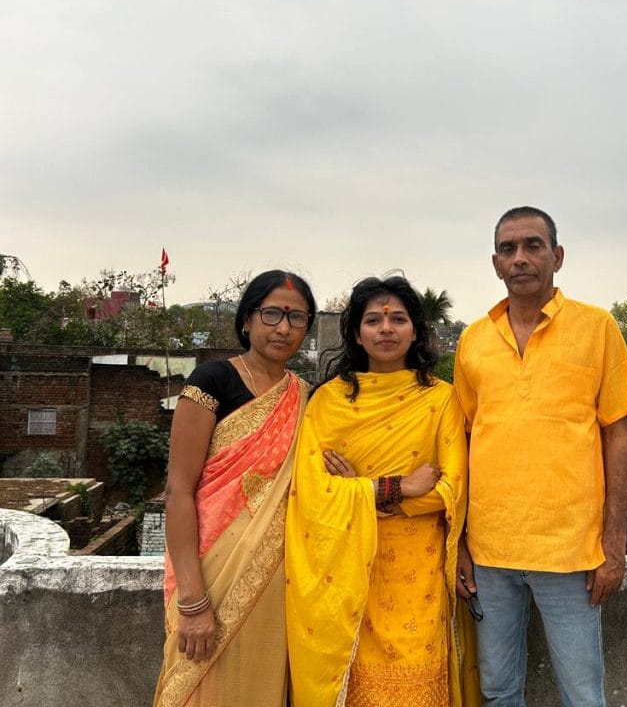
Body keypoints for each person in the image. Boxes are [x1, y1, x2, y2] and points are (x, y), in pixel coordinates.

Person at [454, 206, 627, 707]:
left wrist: (614, 539)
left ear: (557, 256)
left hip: (572, 554)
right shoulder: (473, 340)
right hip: (490, 552)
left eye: (533, 246)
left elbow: (618, 436)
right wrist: (459, 541)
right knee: (498, 690)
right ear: (495, 263)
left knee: (582, 694)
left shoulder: (596, 327)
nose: (520, 258)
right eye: (508, 248)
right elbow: (465, 441)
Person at [286, 275, 475, 707]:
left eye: (398, 319)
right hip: (346, 568)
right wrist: (398, 487)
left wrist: (364, 492)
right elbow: (312, 491)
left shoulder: (441, 399)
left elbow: (451, 487)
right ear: (356, 332)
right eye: (373, 320)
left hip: (419, 571)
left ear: (415, 331)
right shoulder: (328, 403)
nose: (386, 329)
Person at [153, 270, 317, 707]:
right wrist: (192, 599)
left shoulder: (305, 396)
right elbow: (178, 491)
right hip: (210, 577)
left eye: (297, 317)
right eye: (272, 314)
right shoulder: (211, 382)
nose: (283, 327)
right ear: (247, 320)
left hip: (277, 582)